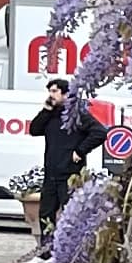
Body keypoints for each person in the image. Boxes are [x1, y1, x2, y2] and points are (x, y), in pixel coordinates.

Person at [28, 81, 96, 252]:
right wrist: (46, 110)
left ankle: (69, 251)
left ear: (65, 94)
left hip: (69, 173)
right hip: (51, 172)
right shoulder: (50, 115)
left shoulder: (77, 114)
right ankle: (46, 251)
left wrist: (80, 150)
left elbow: (99, 132)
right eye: (49, 91)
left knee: (69, 214)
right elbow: (34, 129)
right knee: (46, 213)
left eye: (54, 91)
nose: (51, 95)